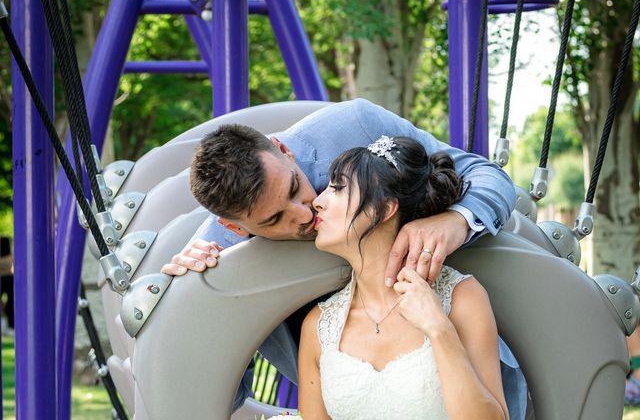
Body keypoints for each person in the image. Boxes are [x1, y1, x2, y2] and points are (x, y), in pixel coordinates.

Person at [160, 99, 525, 417]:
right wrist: (202, 295)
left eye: (294, 189)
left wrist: (455, 219)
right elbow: (218, 394)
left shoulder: (357, 125)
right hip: (336, 386)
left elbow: (487, 175)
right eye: (273, 220)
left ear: (282, 149)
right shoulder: (218, 254)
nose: (305, 214)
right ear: (234, 228)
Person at [298, 136, 508, 419]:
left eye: (337, 188)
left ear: (384, 209)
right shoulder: (317, 327)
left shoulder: (462, 298)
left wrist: (439, 329)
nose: (318, 202)